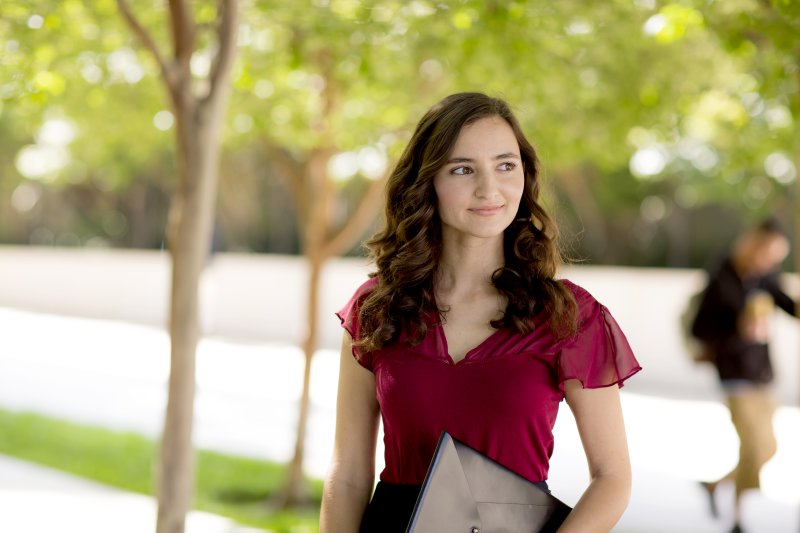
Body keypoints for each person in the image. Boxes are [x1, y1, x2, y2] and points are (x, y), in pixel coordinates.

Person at [319, 92, 642, 533]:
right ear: (427, 180)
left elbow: (612, 479)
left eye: (505, 165)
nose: (489, 189)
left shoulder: (570, 316)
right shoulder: (376, 308)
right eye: (463, 169)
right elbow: (349, 474)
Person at [691, 217, 798, 533]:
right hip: (735, 375)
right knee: (752, 445)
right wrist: (738, 330)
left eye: (775, 259)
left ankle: (715, 486)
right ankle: (737, 519)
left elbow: (788, 304)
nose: (769, 263)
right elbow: (700, 329)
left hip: (762, 375)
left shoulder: (764, 276)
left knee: (767, 449)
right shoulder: (721, 278)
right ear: (753, 244)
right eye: (767, 255)